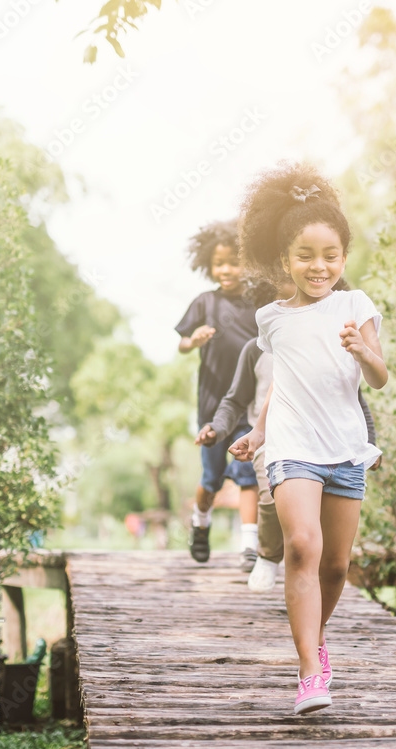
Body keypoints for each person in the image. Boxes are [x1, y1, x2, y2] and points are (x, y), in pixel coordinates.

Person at [229, 163, 388, 715]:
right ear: (286, 260)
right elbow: (280, 384)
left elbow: (380, 376)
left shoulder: (356, 305)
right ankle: (310, 673)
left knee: (337, 567)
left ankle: (314, 638)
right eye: (305, 255)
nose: (317, 266)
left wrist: (364, 352)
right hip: (292, 447)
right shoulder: (271, 318)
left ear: (343, 258)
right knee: (302, 546)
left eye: (329, 255)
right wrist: (258, 431)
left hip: (344, 447)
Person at [196, 276, 382, 593]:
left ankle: (309, 592)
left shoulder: (332, 344)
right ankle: (267, 556)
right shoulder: (256, 349)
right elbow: (236, 399)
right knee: (270, 495)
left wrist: (370, 444)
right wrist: (219, 428)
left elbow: (355, 398)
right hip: (274, 439)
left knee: (322, 530)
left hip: (330, 442)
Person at [175, 220, 260, 570]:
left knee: (249, 476)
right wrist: (192, 341)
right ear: (209, 266)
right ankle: (200, 523)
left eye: (234, 262)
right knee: (211, 479)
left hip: (249, 407)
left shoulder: (259, 302)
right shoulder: (204, 303)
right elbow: (181, 344)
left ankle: (250, 546)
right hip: (212, 407)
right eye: (219, 263)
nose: (226, 270)